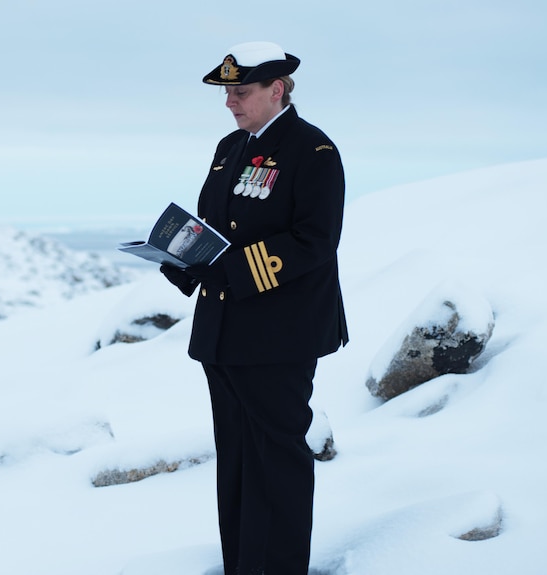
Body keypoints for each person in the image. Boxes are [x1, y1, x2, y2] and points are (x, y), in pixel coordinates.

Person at [160, 41, 349, 575]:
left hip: (279, 333)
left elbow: (315, 241)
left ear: (277, 90)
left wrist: (233, 270)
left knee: (278, 461)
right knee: (238, 460)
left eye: (240, 92)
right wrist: (183, 258)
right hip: (225, 331)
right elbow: (215, 227)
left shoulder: (313, 151)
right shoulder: (229, 147)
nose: (230, 103)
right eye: (227, 93)